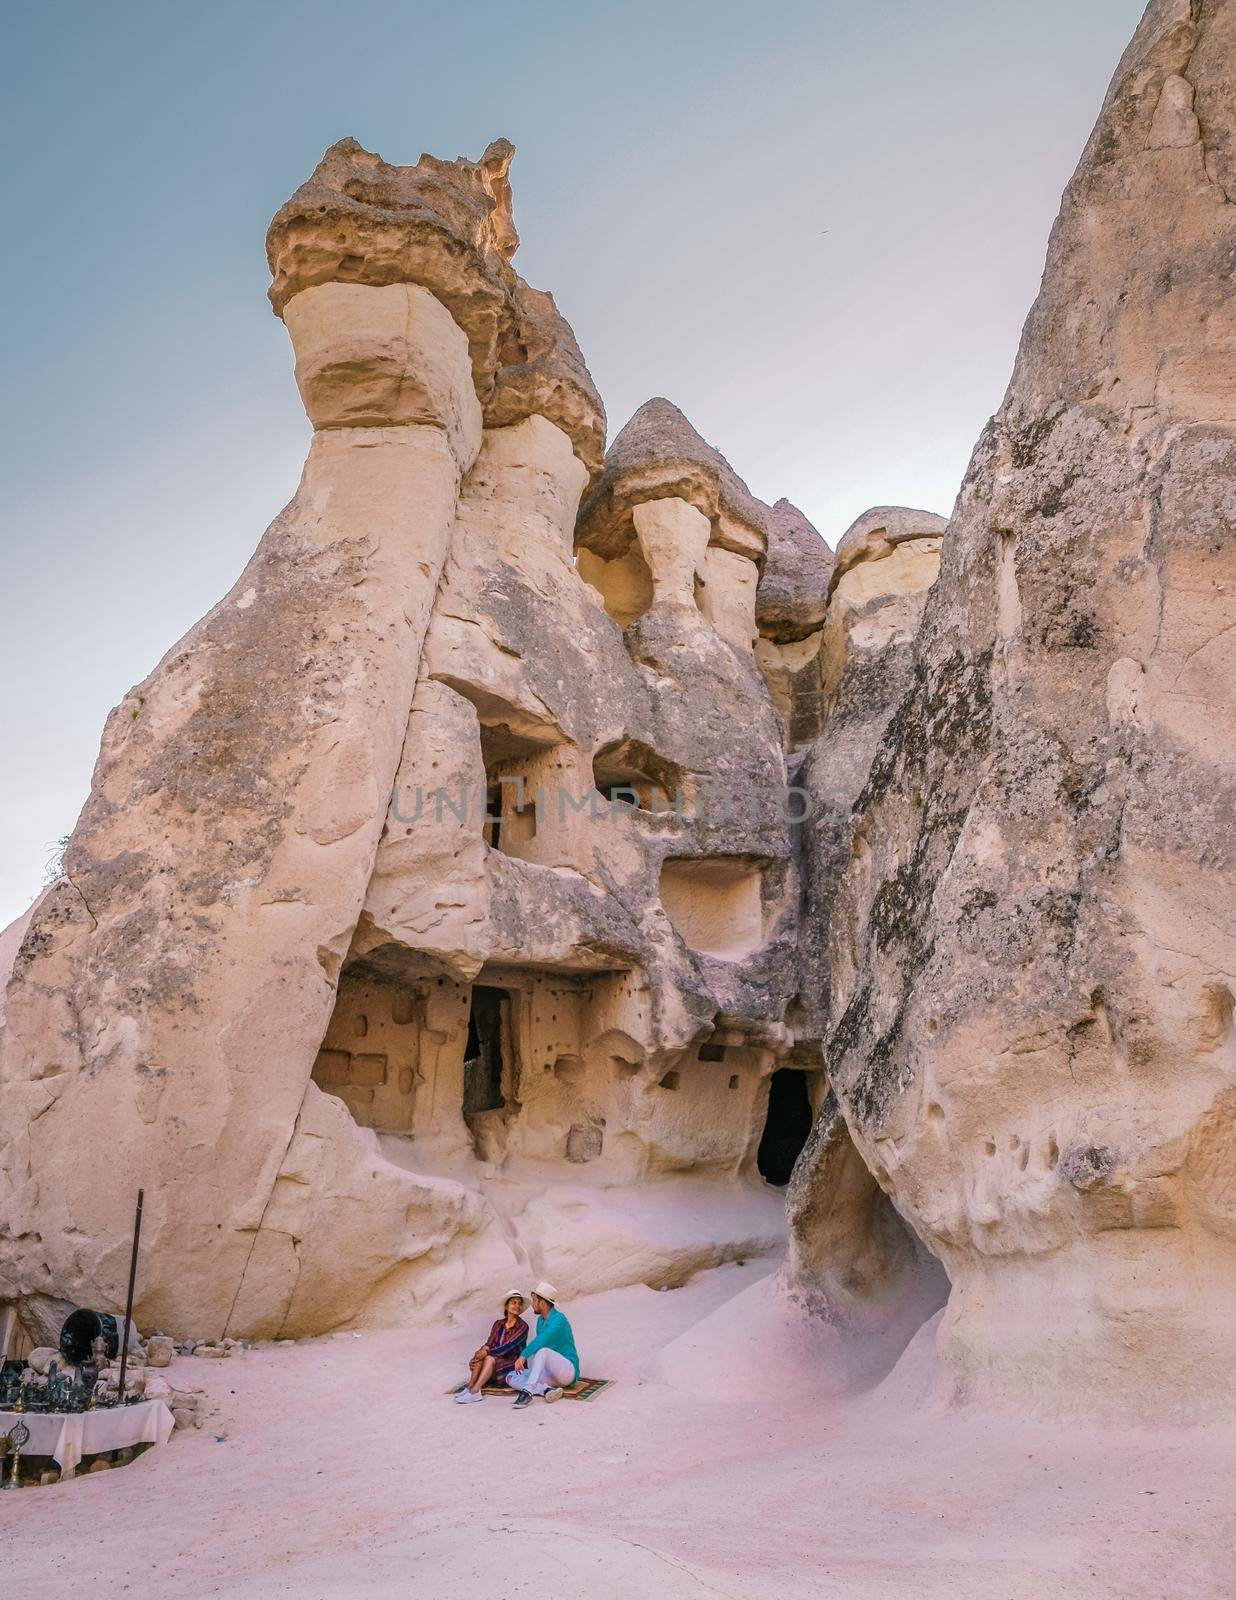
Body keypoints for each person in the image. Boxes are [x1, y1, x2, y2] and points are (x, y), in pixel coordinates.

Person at [505, 1280, 578, 1409]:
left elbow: (541, 1341)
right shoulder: (540, 1320)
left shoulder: (559, 1319)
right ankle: (546, 1390)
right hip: (551, 1374)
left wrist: (523, 1356)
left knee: (542, 1350)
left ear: (542, 1302)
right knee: (511, 1376)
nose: (532, 1304)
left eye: (534, 1300)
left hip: (567, 1371)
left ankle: (527, 1393)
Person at [456, 1290, 529, 1404]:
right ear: (506, 1306)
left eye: (519, 1303)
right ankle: (470, 1387)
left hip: (513, 1365)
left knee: (488, 1357)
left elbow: (508, 1346)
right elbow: (489, 1343)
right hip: (496, 1360)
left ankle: (475, 1391)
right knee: (483, 1353)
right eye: (514, 1303)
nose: (517, 1306)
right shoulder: (498, 1324)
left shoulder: (523, 1326)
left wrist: (486, 1352)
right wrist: (480, 1352)